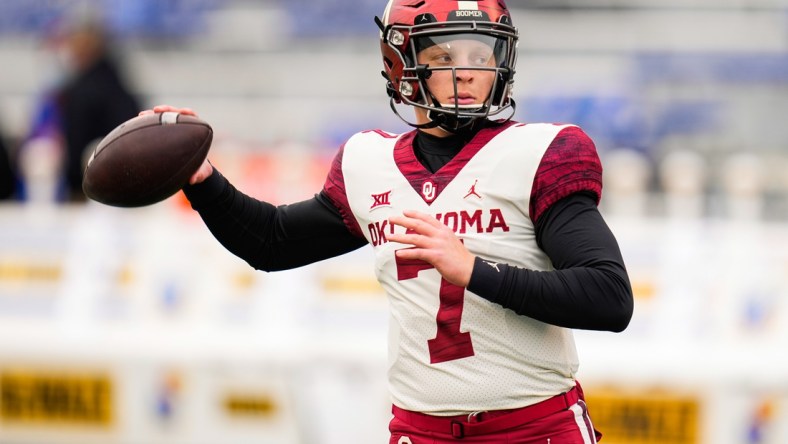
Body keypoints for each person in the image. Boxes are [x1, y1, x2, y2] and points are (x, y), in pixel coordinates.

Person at [143, 0, 633, 442]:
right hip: (420, 429)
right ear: (401, 65)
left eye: (481, 56)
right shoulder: (368, 162)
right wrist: (201, 178)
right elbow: (272, 242)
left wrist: (473, 271)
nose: (467, 73)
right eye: (445, 57)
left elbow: (609, 298)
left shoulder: (542, 152)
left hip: (531, 428)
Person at [52, 19, 140, 202]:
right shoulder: (120, 85)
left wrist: (75, 182)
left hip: (90, 187)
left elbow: (76, 142)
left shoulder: (80, 91)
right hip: (128, 185)